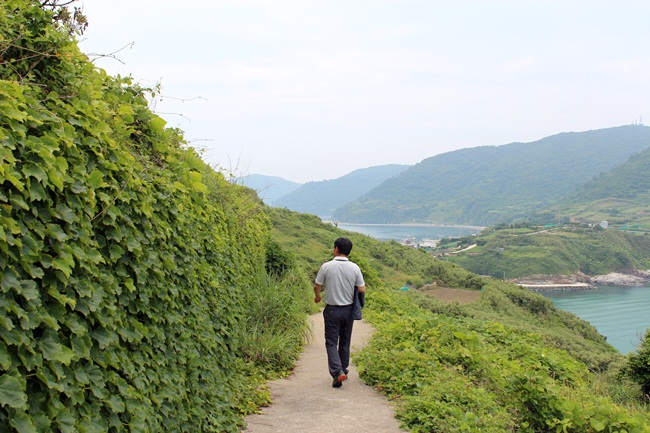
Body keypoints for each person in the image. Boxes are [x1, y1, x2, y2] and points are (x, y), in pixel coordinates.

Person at [314, 237, 366, 388]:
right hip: (348, 310)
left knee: (331, 342)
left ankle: (337, 372)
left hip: (332, 310)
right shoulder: (355, 268)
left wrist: (318, 297)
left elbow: (317, 285)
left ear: (336, 249)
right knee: (345, 341)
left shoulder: (327, 266)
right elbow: (362, 288)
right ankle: (344, 369)